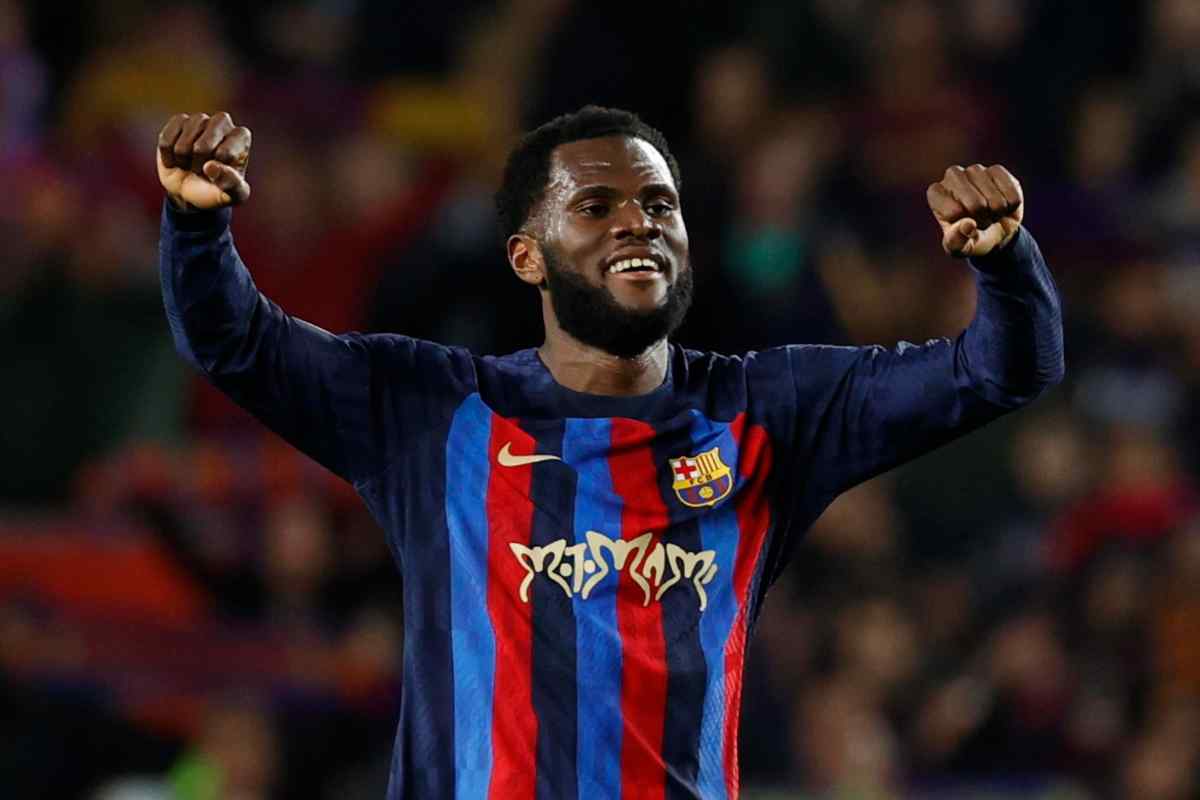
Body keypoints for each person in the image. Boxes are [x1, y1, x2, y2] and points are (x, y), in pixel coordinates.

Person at [156, 105, 1063, 799]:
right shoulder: (432, 411)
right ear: (528, 257)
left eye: (659, 204)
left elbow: (1000, 370)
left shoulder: (769, 414)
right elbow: (237, 341)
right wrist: (197, 229)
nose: (639, 222)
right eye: (595, 206)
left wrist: (1007, 262)